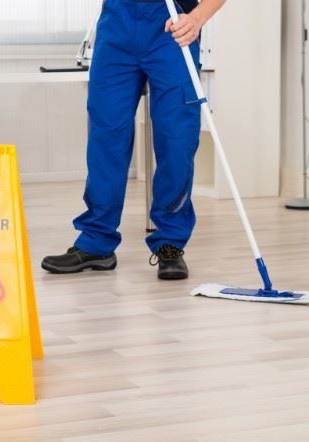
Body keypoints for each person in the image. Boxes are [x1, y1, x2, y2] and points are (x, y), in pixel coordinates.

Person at [42, 0, 226, 280]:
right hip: (117, 27)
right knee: (106, 136)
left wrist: (197, 18)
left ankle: (170, 243)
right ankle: (96, 242)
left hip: (172, 27)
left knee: (176, 140)